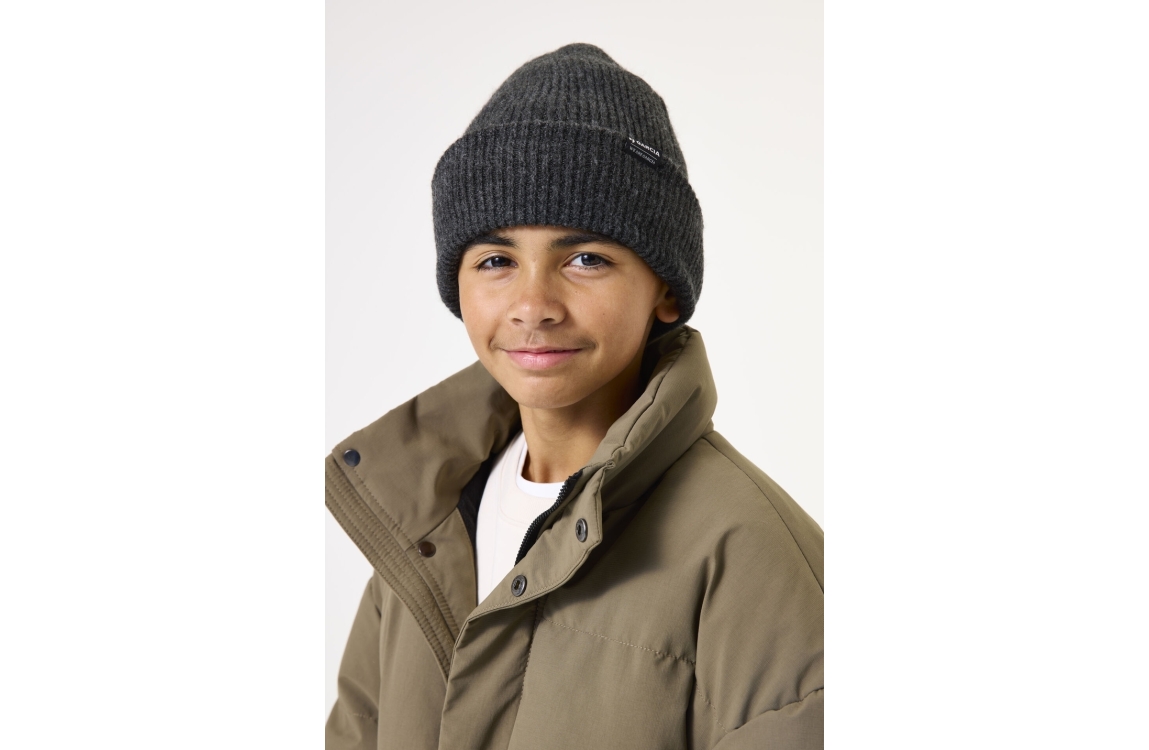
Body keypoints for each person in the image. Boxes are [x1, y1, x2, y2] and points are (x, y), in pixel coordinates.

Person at [325, 43, 823, 749]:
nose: (533, 305)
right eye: (495, 260)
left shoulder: (751, 554)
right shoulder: (422, 523)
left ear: (666, 291)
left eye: (586, 259)